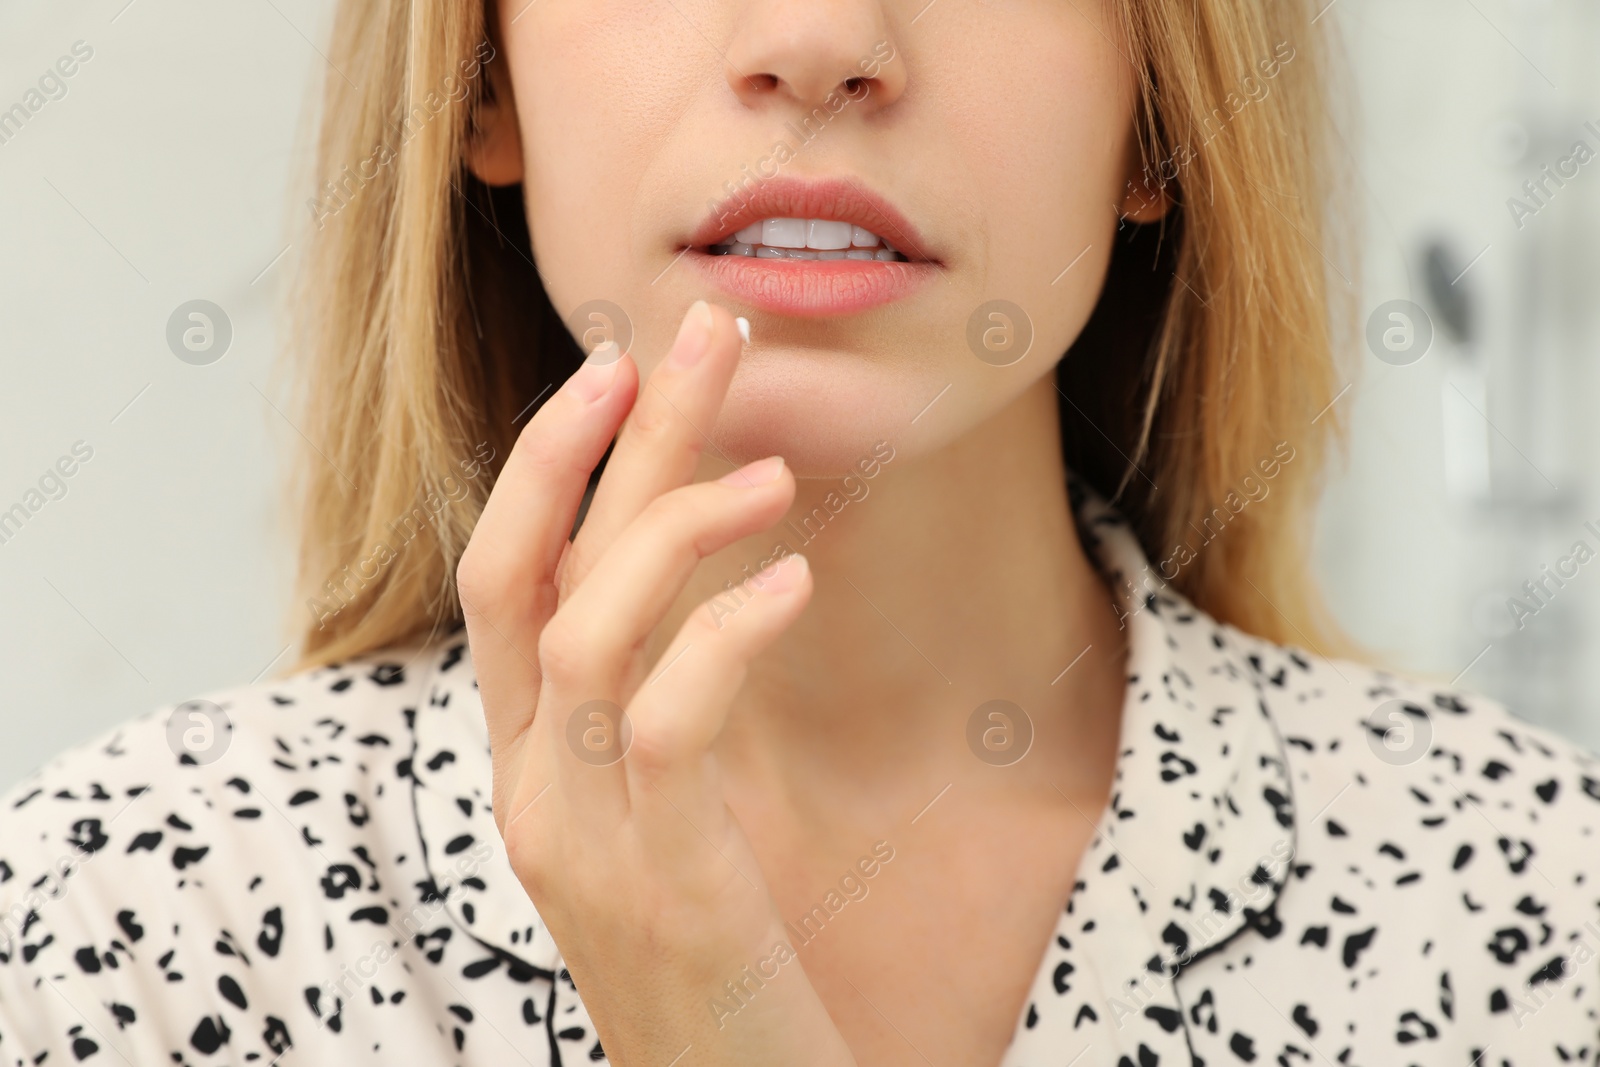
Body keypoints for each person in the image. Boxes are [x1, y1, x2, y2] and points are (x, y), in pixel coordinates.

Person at [3, 1, 1596, 1064]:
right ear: (481, 78)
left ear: (1160, 113)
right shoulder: (128, 919)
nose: (823, 40)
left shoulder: (1541, 910)